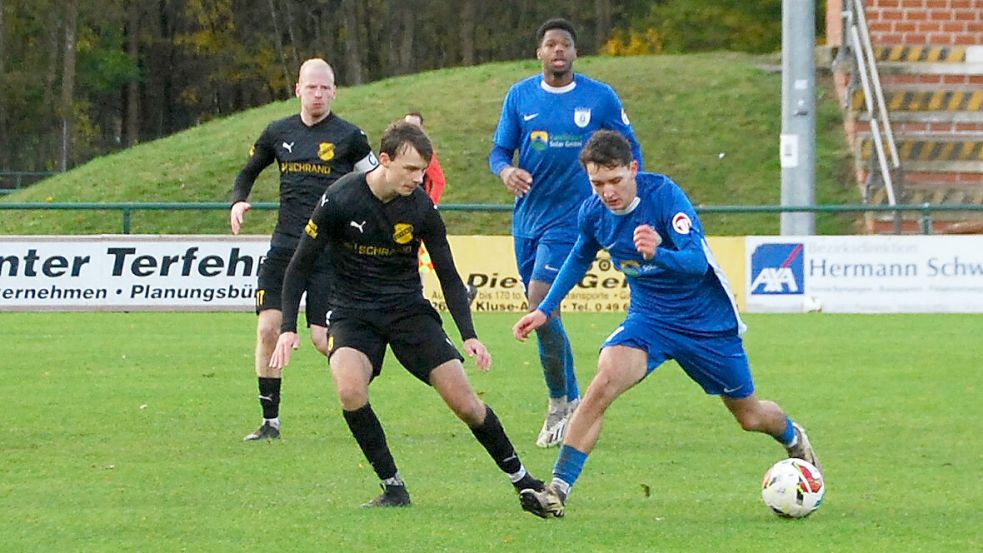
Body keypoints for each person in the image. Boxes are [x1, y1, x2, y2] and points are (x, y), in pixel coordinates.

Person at [512, 131, 822, 519]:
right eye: (597, 183)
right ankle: (557, 489)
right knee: (602, 383)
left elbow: (695, 263)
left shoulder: (664, 197)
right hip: (649, 319)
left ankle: (794, 438)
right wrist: (546, 308)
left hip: (706, 323)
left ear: (633, 169)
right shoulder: (592, 212)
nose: (607, 192)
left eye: (615, 181)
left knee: (750, 416)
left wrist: (658, 253)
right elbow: (579, 255)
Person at [269, 121, 544, 508]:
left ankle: (522, 479)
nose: (418, 178)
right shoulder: (341, 197)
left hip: (408, 311)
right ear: (384, 160)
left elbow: (448, 274)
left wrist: (469, 334)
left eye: (423, 170)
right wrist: (287, 328)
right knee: (349, 389)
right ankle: (393, 487)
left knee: (465, 402)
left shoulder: (422, 208)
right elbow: (299, 265)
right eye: (411, 169)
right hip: (352, 313)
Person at [488, 17, 644, 448]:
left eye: (566, 45)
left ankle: (562, 401)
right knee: (542, 311)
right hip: (527, 220)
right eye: (551, 44)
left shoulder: (599, 98)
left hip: (574, 219)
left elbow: (631, 150)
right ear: (539, 52)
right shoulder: (520, 97)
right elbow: (499, 151)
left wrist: (633, 196)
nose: (558, 51)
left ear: (575, 53)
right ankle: (569, 397)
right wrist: (506, 171)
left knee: (540, 301)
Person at [230, 58, 378, 442]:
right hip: (285, 248)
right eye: (311, 87)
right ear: (298, 89)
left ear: (334, 91)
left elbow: (377, 181)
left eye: (324, 88)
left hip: (330, 252)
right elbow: (248, 172)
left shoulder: (350, 136)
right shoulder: (278, 132)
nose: (317, 94)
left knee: (320, 337)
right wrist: (238, 201)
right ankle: (270, 422)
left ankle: (357, 394)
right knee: (268, 328)